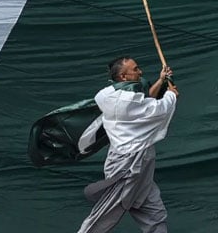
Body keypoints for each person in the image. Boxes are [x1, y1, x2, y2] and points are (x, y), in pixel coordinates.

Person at [77, 56, 179, 233]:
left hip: (141, 163)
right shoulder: (125, 102)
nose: (140, 72)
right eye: (135, 69)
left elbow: (144, 100)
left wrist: (161, 80)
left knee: (154, 213)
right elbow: (157, 109)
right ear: (124, 77)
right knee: (104, 214)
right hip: (128, 165)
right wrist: (171, 95)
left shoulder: (107, 94)